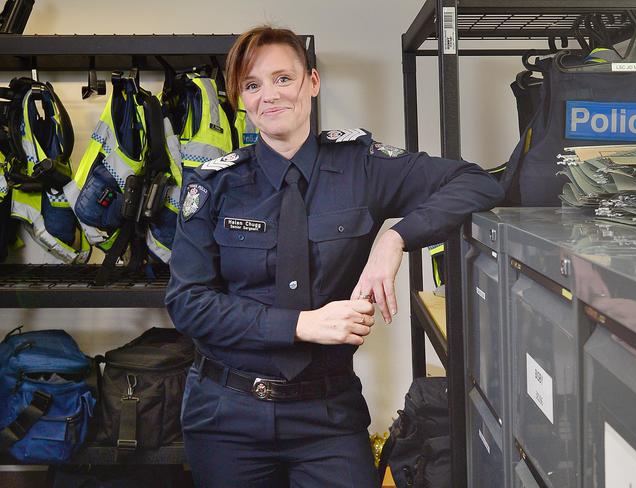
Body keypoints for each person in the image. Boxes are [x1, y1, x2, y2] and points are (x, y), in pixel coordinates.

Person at [165, 25, 504, 488]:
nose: (270, 95)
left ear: (313, 82)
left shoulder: (361, 166)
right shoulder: (213, 184)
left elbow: (477, 181)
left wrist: (396, 238)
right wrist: (302, 324)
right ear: (239, 99)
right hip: (227, 414)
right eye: (252, 85)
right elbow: (188, 303)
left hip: (325, 414)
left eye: (283, 78)